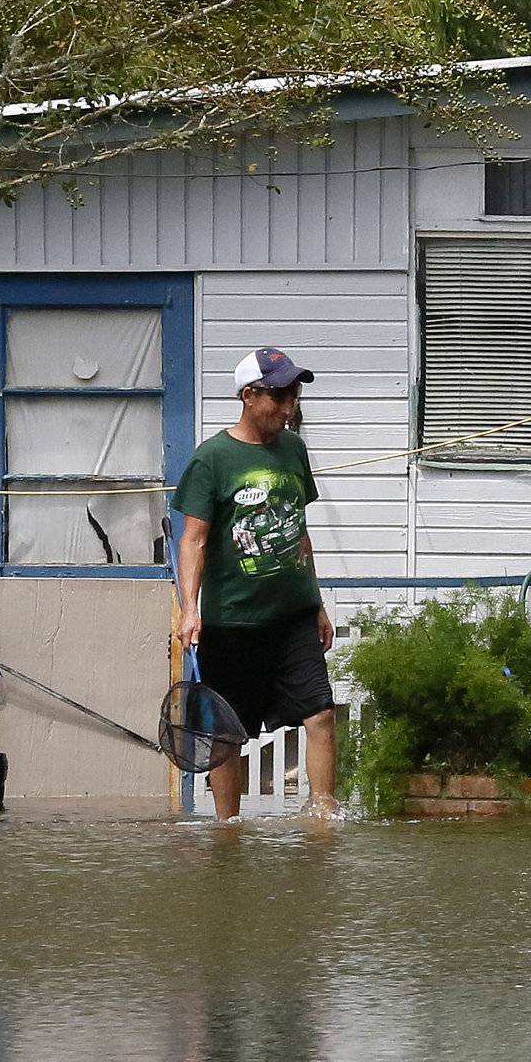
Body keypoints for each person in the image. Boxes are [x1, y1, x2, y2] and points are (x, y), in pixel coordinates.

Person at [172, 346, 338, 821]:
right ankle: (228, 831)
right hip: (232, 623)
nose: (289, 409)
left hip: (292, 619)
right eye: (280, 397)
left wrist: (318, 604)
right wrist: (190, 609)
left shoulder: (293, 450)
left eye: (294, 398)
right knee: (228, 733)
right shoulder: (212, 459)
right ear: (249, 395)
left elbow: (297, 532)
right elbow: (194, 541)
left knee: (321, 715)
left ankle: (325, 822)